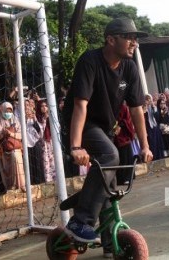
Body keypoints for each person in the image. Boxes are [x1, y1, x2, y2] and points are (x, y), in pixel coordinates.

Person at [61, 18, 153, 254]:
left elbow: (136, 110)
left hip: (104, 127)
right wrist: (76, 147)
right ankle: (80, 221)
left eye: (136, 38)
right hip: (81, 125)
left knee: (109, 182)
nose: (134, 43)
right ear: (111, 40)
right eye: (129, 38)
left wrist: (145, 145)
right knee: (109, 156)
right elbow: (80, 105)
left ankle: (109, 241)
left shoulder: (130, 68)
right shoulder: (90, 61)